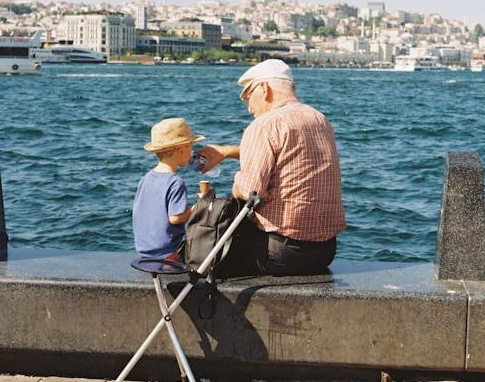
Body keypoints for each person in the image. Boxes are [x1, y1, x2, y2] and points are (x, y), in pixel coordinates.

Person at [196, 59, 346, 276]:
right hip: (325, 252)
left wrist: (237, 182)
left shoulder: (265, 125)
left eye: (247, 96)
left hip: (279, 254)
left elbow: (250, 193)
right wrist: (227, 152)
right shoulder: (319, 119)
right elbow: (289, 156)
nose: (248, 107)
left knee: (203, 238)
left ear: (264, 88)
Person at [132, 117, 204, 261]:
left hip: (144, 249)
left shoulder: (146, 178)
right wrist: (199, 206)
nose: (192, 151)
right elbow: (175, 218)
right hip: (168, 253)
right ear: (180, 150)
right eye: (190, 146)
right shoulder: (175, 182)